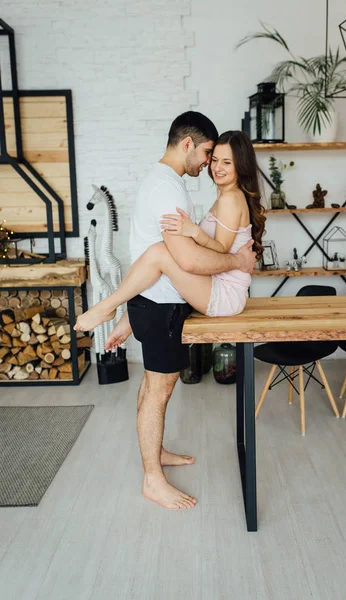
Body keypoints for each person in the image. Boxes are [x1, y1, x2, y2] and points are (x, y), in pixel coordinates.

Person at [75, 113, 262, 510]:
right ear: (189, 145)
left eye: (224, 160)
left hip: (170, 301)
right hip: (161, 307)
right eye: (211, 156)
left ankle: (153, 454)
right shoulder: (171, 187)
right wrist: (235, 260)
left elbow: (203, 254)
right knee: (157, 392)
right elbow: (188, 261)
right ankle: (153, 478)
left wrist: (218, 249)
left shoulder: (176, 185)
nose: (212, 165)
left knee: (154, 389)